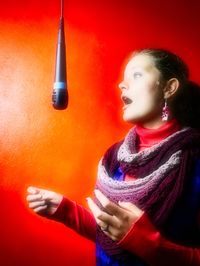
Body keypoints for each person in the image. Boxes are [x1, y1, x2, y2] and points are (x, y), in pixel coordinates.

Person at [26, 48, 200, 266]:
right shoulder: (115, 158)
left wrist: (148, 244)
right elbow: (111, 236)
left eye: (136, 75)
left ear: (168, 87)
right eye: (124, 79)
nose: (122, 85)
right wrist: (66, 210)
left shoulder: (194, 160)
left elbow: (133, 239)